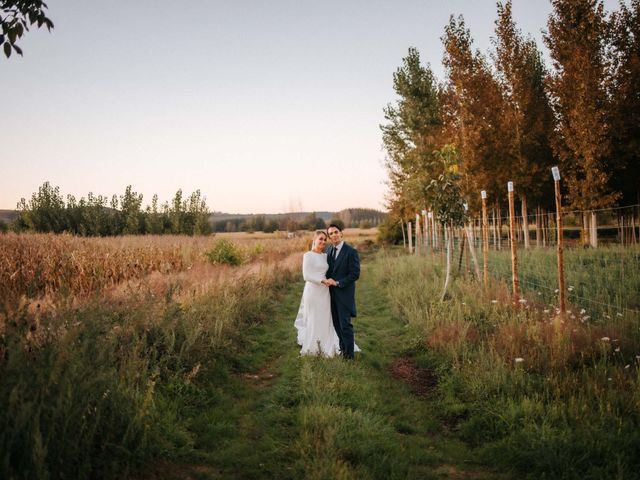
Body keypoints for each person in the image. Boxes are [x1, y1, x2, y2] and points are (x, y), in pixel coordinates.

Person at [294, 230, 341, 357]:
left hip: (324, 292)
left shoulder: (325, 256)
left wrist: (331, 280)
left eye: (325, 240)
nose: (323, 242)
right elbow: (306, 275)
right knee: (314, 317)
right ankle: (314, 345)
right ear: (314, 240)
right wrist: (322, 280)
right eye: (320, 239)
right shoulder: (308, 255)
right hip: (313, 291)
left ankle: (326, 342)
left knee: (325, 317)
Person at [325, 223, 360, 360]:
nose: (334, 235)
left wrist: (338, 283)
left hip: (344, 294)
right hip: (330, 295)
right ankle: (343, 350)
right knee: (337, 325)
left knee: (345, 325)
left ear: (341, 233)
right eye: (331, 233)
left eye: (336, 232)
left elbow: (355, 274)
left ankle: (349, 357)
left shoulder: (351, 252)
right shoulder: (328, 250)